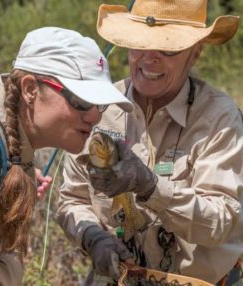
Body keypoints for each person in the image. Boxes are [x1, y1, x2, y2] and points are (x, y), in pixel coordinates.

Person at [55, 1, 243, 285]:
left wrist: (150, 187)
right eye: (140, 44)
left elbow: (220, 221)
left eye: (168, 48)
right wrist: (93, 238)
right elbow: (72, 199)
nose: (150, 58)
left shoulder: (219, 118)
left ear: (195, 53)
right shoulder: (100, 109)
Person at [0, 26, 133, 285]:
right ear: (30, 89)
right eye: (82, 101)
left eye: (100, 104)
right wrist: (10, 268)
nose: (95, 116)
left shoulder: (5, 143)